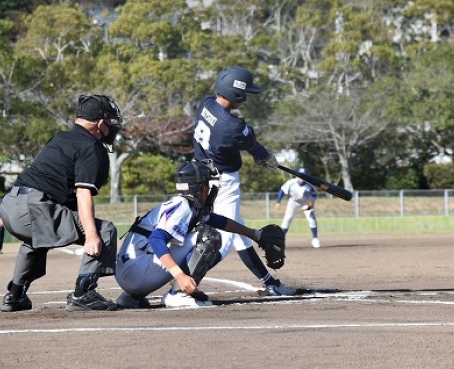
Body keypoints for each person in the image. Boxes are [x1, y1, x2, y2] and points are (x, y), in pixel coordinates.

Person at [0, 94, 123, 312]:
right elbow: (83, 193)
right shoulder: (91, 146)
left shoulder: (60, 137)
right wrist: (91, 235)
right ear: (100, 122)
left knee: (37, 242)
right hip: (34, 206)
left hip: (9, 205)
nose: (112, 126)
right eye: (110, 121)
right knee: (105, 231)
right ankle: (83, 294)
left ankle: (15, 296)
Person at [115, 160, 283, 308]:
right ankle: (178, 295)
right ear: (200, 187)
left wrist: (254, 234)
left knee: (204, 233)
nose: (209, 189)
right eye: (207, 185)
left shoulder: (183, 204)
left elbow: (219, 221)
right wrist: (179, 275)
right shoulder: (182, 206)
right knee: (209, 237)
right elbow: (156, 239)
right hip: (137, 272)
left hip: (128, 273)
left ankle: (131, 297)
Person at [193, 66, 296, 297]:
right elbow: (254, 147)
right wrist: (267, 158)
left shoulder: (205, 104)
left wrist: (258, 155)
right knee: (223, 242)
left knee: (240, 233)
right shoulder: (233, 125)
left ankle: (270, 284)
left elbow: (234, 140)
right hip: (223, 184)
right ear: (237, 94)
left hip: (201, 180)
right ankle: (182, 286)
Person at [275, 167, 320, 248]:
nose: (302, 177)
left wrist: (312, 201)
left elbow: (314, 193)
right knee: (287, 219)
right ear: (297, 175)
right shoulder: (291, 182)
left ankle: (315, 239)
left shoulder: (310, 184)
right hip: (294, 201)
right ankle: (280, 241)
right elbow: (282, 190)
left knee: (312, 219)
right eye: (300, 175)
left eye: (304, 176)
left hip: (306, 202)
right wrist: (278, 201)